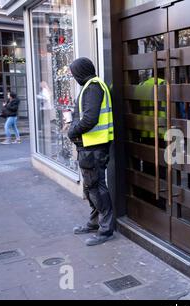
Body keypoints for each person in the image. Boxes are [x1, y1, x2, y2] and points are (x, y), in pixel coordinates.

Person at [66, 57, 115, 246]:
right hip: (90, 146)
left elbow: (90, 119)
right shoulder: (91, 85)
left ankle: (105, 230)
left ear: (81, 72)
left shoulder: (93, 87)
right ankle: (95, 223)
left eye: (74, 73)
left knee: (96, 187)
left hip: (94, 147)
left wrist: (72, 131)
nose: (73, 77)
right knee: (90, 186)